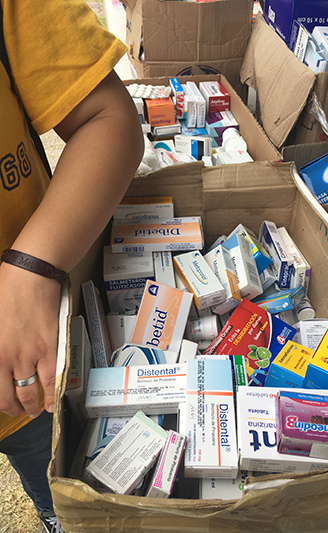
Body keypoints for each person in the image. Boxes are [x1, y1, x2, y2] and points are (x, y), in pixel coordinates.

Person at [0, 1, 144, 531]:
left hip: (26, 375)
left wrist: (30, 266)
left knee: (53, 472)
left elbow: (111, 119)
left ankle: (54, 513)